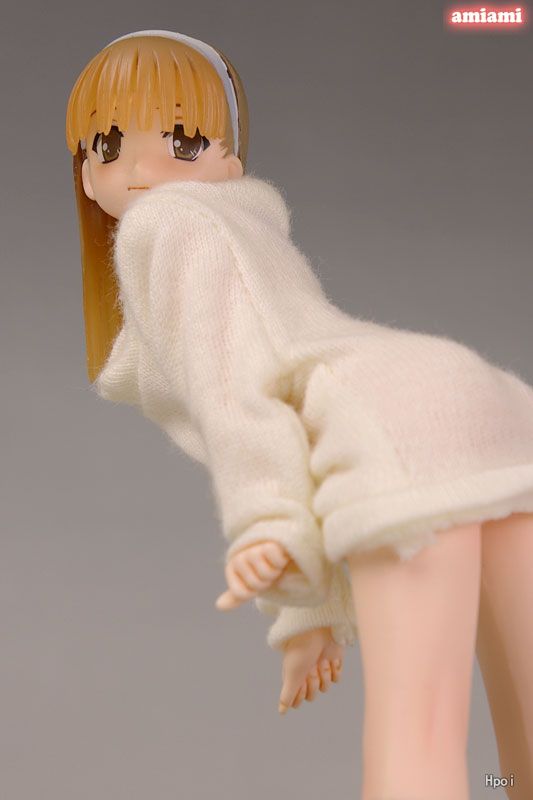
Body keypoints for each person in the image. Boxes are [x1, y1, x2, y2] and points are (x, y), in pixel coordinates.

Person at [66, 30, 533, 798]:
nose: (145, 169)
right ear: (86, 172)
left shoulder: (169, 224)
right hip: (481, 401)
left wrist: (269, 531)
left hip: (396, 424)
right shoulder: (246, 228)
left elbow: (240, 396)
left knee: (416, 735)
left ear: (228, 162)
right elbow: (290, 397)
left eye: (182, 141)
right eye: (109, 145)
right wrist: (305, 612)